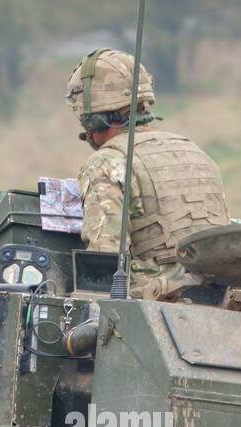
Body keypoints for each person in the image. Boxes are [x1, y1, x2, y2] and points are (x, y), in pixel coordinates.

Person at [66, 48, 229, 301]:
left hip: (154, 303)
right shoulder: (197, 154)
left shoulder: (106, 162)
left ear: (91, 119)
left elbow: (105, 260)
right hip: (217, 296)